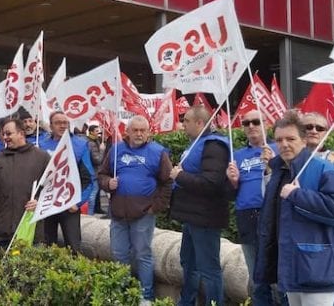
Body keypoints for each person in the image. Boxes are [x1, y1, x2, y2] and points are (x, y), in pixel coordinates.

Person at [255, 111, 334, 306]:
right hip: (292, 266)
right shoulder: (279, 170)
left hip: (317, 268)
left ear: (303, 140)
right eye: (279, 139)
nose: (284, 144)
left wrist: (297, 195)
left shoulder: (323, 169)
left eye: (290, 138)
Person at [97, 115, 172, 303]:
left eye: (142, 130)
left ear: (148, 133)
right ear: (127, 132)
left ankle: (145, 296)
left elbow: (168, 181)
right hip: (118, 215)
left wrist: (155, 207)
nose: (139, 133)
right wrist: (108, 183)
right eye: (135, 130)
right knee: (119, 254)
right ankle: (123, 292)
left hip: (143, 215)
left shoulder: (158, 152)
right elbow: (101, 175)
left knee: (143, 255)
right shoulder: (116, 150)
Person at [170, 106, 231, 306]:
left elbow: (211, 183)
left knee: (209, 268)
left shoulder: (214, 146)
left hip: (205, 217)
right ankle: (187, 301)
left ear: (199, 123)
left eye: (186, 120)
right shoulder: (197, 144)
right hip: (193, 216)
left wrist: (180, 176)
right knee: (189, 262)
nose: (182, 125)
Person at [227, 110, 277, 306]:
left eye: (256, 122)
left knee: (277, 275)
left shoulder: (277, 148)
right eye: (245, 123)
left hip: (271, 214)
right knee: (256, 274)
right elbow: (230, 193)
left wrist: (273, 162)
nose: (250, 126)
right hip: (246, 216)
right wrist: (232, 181)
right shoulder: (237, 155)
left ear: (267, 123)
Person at [0, 118, 50, 247]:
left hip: (31, 230)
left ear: (21, 134)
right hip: (3, 231)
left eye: (9, 133)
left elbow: (53, 188)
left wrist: (39, 202)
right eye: (3, 134)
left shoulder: (42, 157)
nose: (5, 137)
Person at [38, 111, 93, 253]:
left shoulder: (80, 145)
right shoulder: (41, 144)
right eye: (58, 123)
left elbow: (88, 179)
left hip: (69, 204)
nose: (62, 126)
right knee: (47, 246)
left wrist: (78, 202)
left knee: (74, 246)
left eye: (65, 123)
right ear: (51, 125)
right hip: (47, 203)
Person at [86, 124, 107, 214]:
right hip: (93, 172)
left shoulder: (94, 141)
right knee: (92, 194)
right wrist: (102, 150)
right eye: (96, 131)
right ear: (91, 132)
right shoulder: (92, 143)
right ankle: (89, 214)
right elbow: (97, 160)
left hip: (92, 172)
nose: (99, 133)